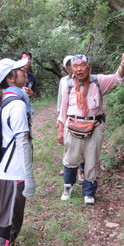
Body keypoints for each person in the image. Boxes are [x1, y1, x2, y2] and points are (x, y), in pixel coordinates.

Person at [57, 51, 124, 205]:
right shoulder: (68, 85)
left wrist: (123, 64)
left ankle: (89, 192)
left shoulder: (98, 81)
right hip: (72, 127)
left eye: (82, 66)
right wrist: (60, 130)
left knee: (91, 160)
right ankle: (68, 187)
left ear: (88, 67)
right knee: (70, 159)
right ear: (71, 69)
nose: (79, 69)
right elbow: (63, 110)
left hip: (94, 127)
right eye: (75, 66)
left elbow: (118, 77)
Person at [0, 58, 36, 246]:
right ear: (10, 78)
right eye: (19, 69)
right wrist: (29, 178)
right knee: (8, 225)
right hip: (12, 175)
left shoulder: (5, 100)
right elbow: (22, 142)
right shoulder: (16, 104)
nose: (24, 70)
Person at [56, 55, 85, 183]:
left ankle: (81, 171)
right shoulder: (64, 81)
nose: (71, 66)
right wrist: (59, 117)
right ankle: (68, 167)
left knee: (83, 145)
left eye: (71, 63)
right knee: (68, 143)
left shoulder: (84, 78)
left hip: (81, 117)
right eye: (68, 65)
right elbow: (60, 99)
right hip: (67, 115)